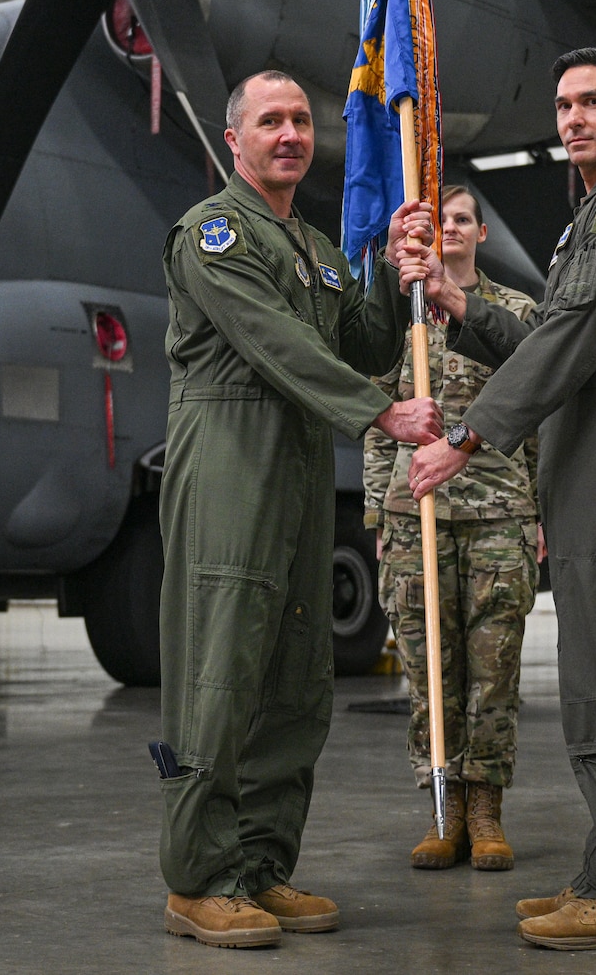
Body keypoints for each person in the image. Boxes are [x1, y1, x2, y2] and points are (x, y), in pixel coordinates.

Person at [404, 48, 596, 952]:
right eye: (564, 104)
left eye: (592, 102)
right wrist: (457, 299)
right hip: (587, 441)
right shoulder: (591, 214)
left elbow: (575, 334)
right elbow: (550, 332)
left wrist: (467, 434)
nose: (571, 118)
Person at [156, 70, 443, 950]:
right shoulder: (212, 234)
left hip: (304, 465)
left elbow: (357, 338)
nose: (290, 134)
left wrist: (393, 273)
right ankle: (199, 879)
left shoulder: (315, 243)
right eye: (270, 121)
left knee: (293, 673)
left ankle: (260, 866)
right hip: (232, 460)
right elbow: (272, 342)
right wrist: (381, 410)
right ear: (235, 138)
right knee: (221, 669)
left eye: (301, 121)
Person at [362, 183, 541, 871]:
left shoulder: (515, 313)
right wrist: (380, 509)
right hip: (417, 518)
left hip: (498, 512)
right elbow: (381, 423)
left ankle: (486, 809)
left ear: (482, 233)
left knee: (493, 672)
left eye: (464, 219)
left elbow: (538, 420)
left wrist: (540, 510)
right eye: (442, 222)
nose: (454, 230)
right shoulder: (403, 320)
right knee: (427, 670)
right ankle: (442, 808)